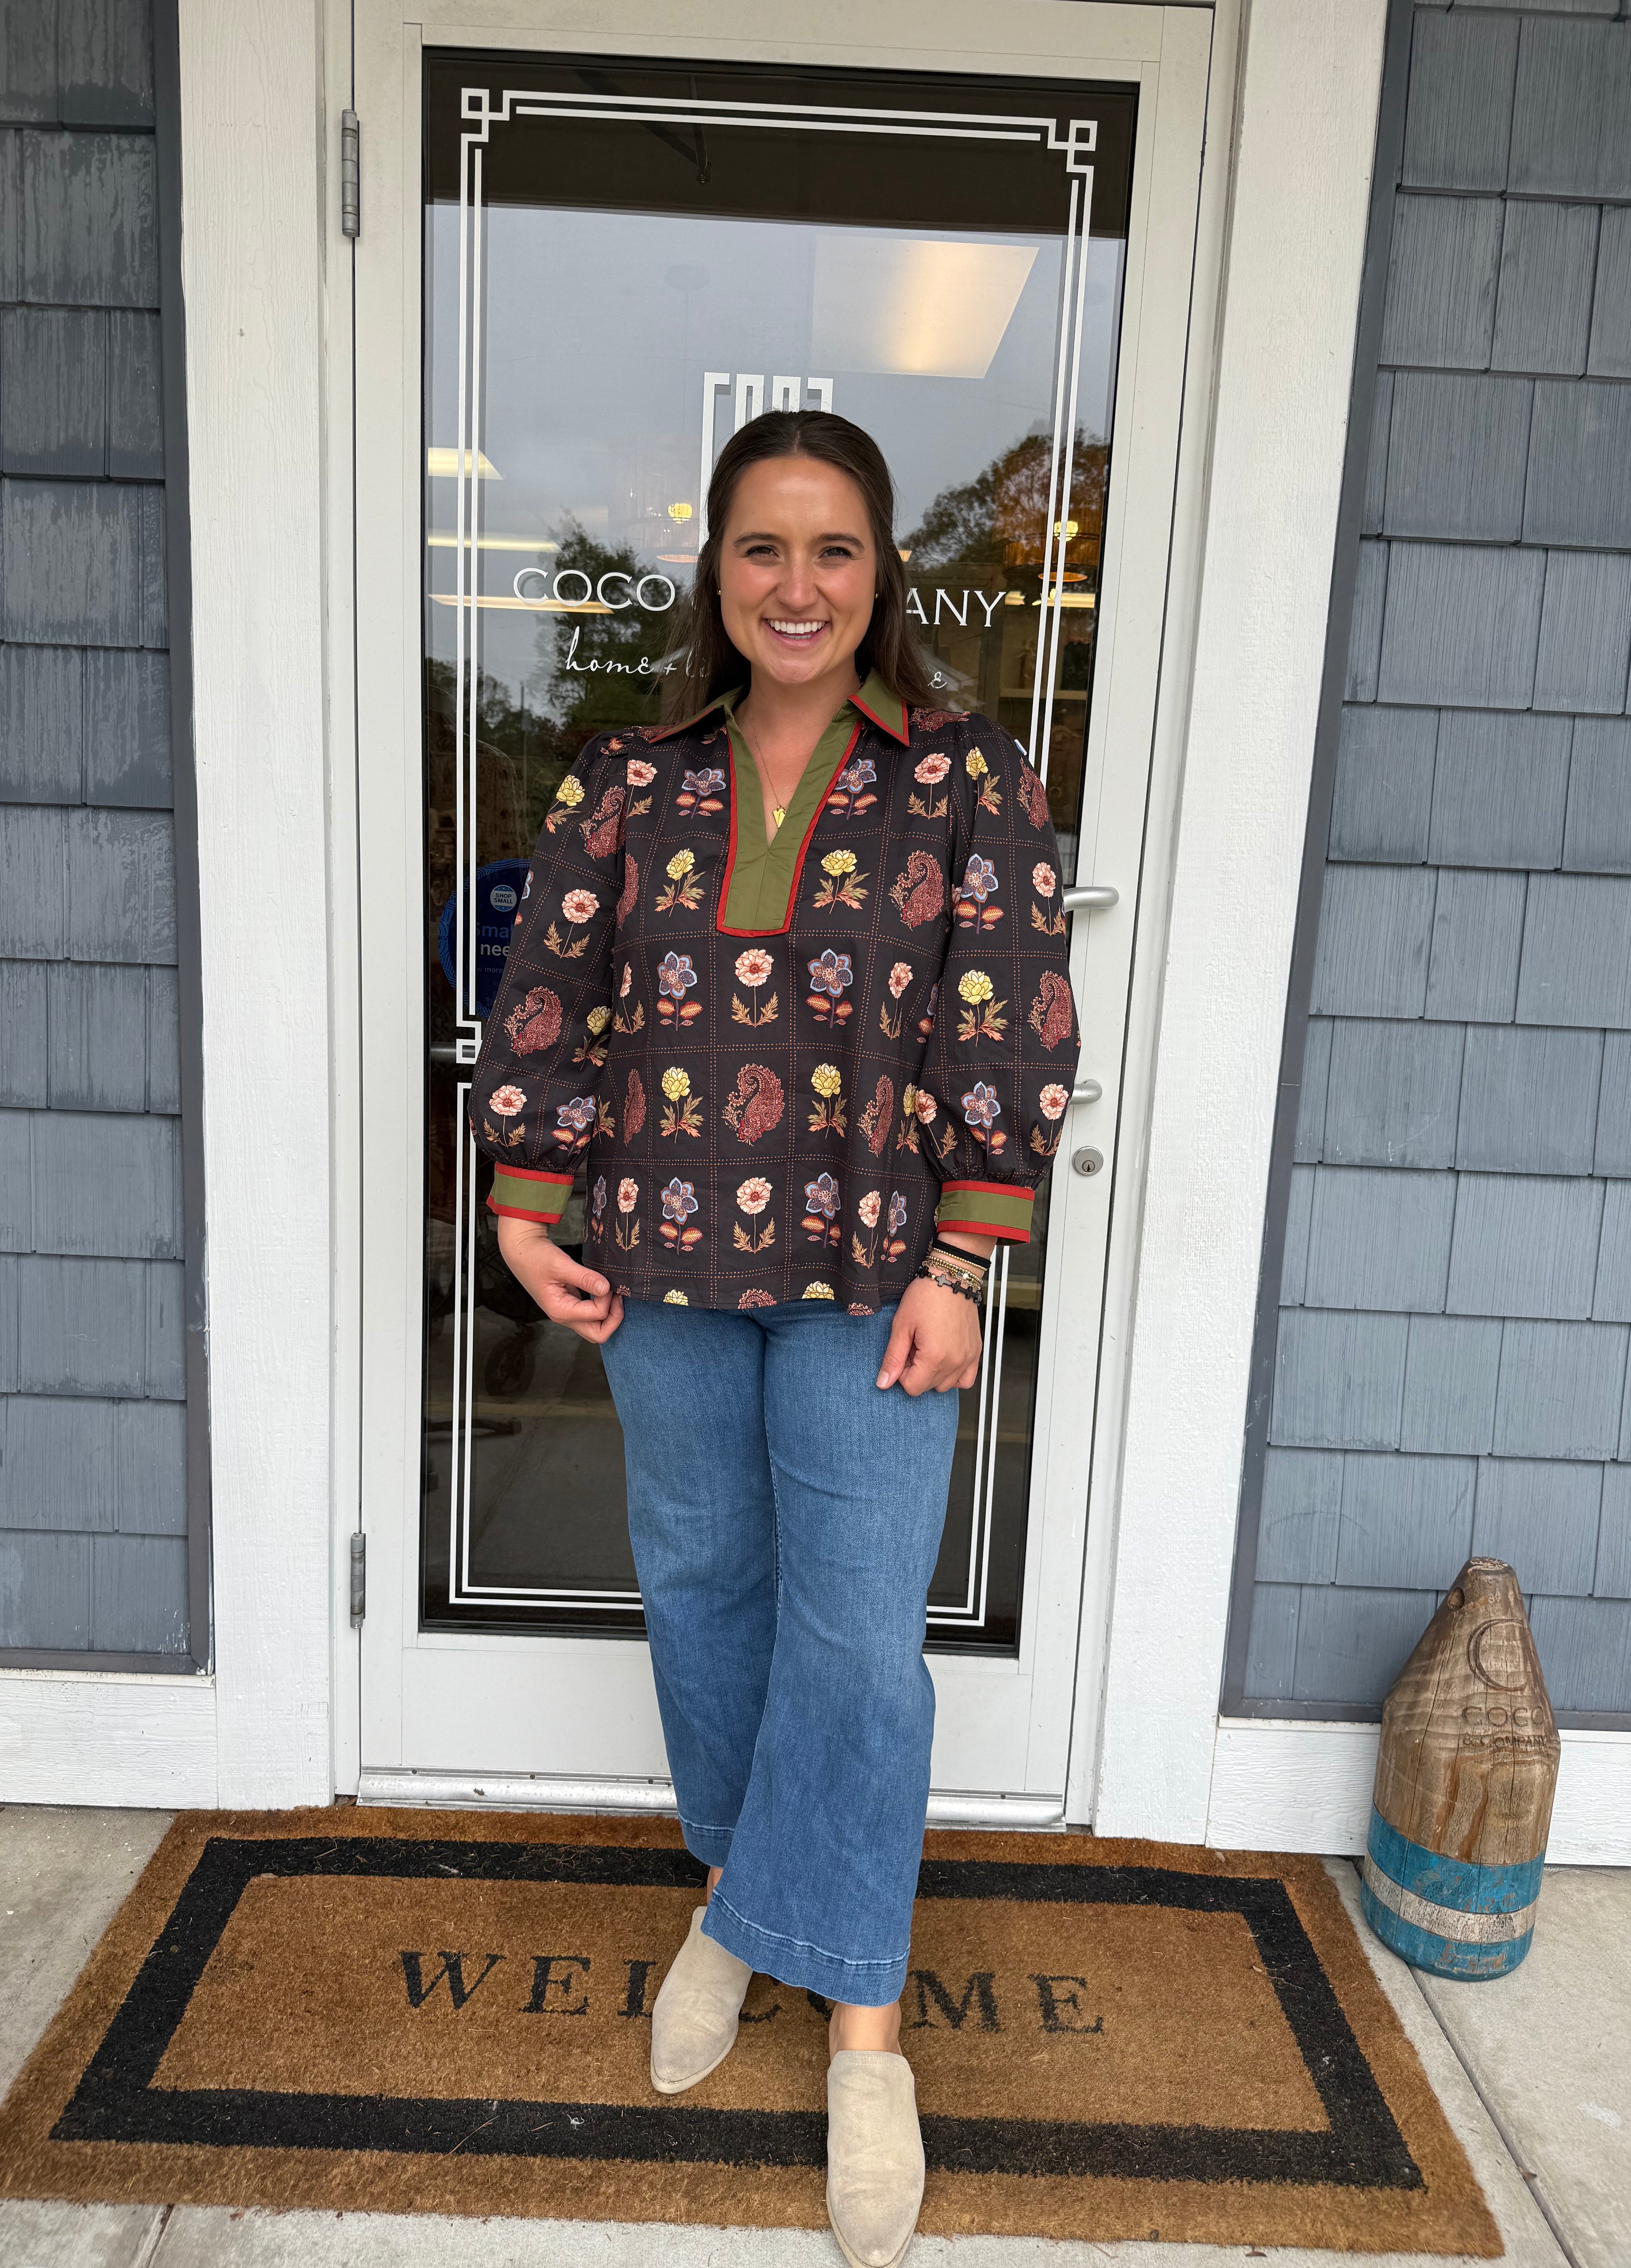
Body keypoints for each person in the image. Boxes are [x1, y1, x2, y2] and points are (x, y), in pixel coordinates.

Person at [470, 410, 1080, 2268]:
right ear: (716, 571)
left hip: (872, 1259)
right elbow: (548, 991)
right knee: (706, 1583)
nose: (797, 583)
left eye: (832, 548)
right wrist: (521, 1199)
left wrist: (968, 1252)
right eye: (761, 547)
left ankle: (868, 2027)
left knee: (859, 1636)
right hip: (657, 1261)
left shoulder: (964, 775)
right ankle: (739, 1896)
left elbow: (1014, 1023)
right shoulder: (631, 778)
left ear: (878, 569)